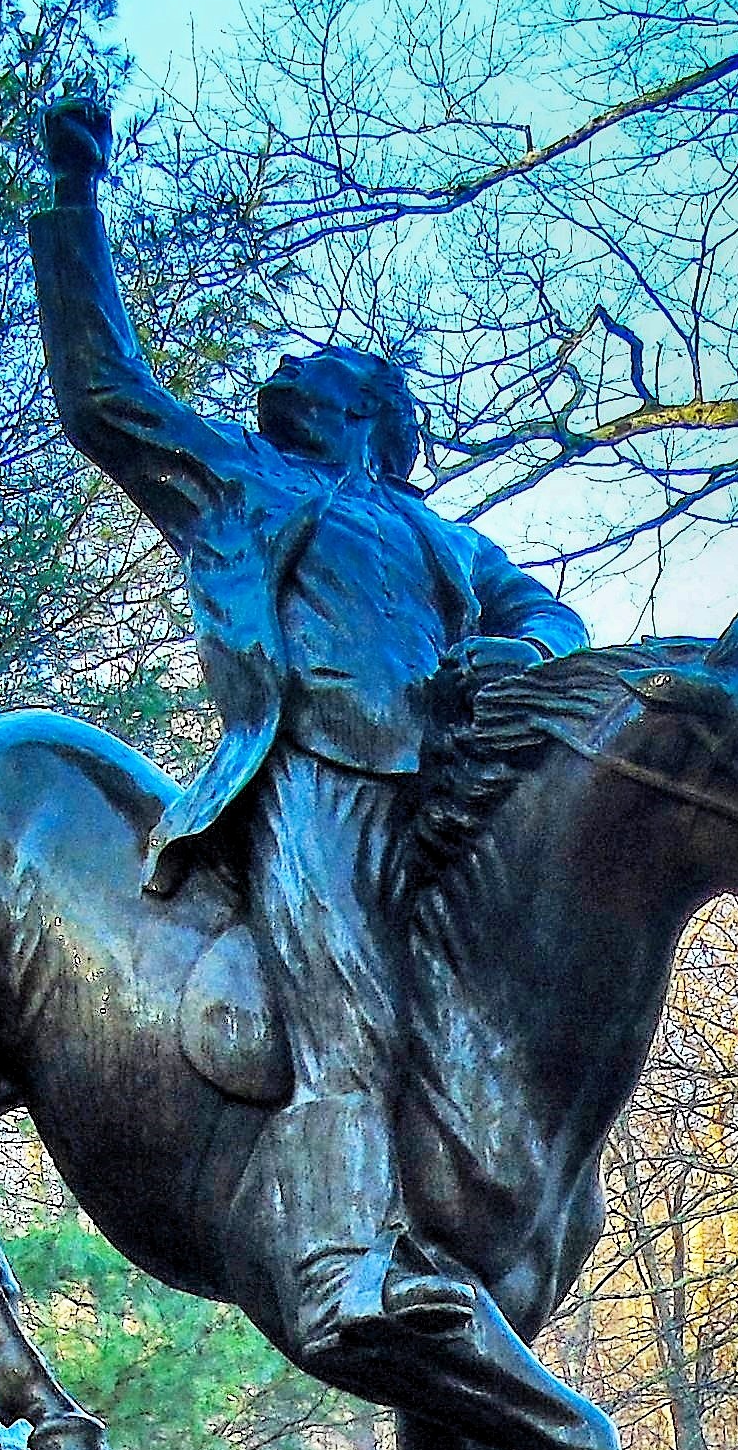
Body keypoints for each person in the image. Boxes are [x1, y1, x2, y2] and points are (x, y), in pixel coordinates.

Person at [30, 95, 589, 1362]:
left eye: (316, 368)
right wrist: (73, 198)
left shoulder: (444, 540)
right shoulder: (236, 476)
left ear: (371, 420)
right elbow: (103, 392)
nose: (284, 373)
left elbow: (548, 616)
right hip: (314, 783)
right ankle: (341, 1263)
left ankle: (510, 1233)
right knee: (352, 1016)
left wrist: (523, 650)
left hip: (452, 808)